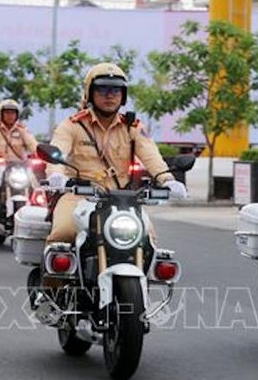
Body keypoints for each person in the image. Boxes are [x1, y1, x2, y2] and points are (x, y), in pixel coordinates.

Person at [44, 63, 187, 245]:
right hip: (79, 195)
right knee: (63, 233)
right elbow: (58, 150)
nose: (110, 95)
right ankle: (53, 274)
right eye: (102, 89)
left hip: (121, 198)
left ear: (123, 95)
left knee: (148, 239)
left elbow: (150, 154)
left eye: (116, 90)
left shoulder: (132, 127)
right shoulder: (72, 126)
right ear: (90, 93)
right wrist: (57, 175)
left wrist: (167, 180)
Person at [0, 99, 38, 211]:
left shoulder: (22, 130)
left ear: (17, 115)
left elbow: (33, 145)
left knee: (34, 182)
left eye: (12, 112)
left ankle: (36, 205)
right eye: (7, 112)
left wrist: (40, 154)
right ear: (1, 114)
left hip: (19, 166)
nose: (10, 115)